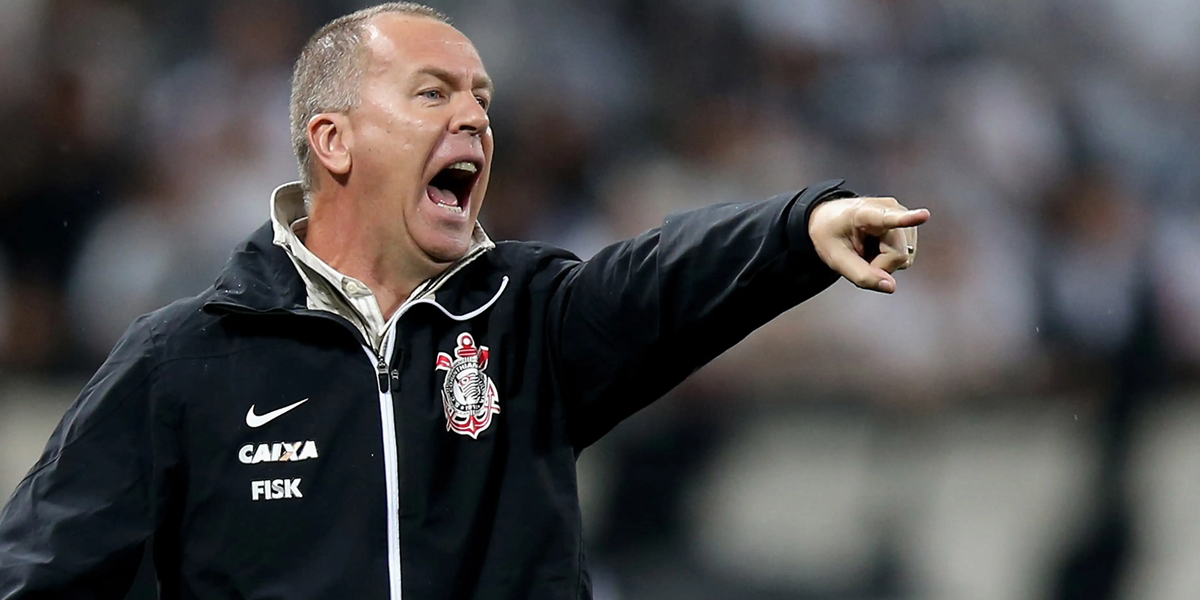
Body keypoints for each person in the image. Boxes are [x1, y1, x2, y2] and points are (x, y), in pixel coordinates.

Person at [0, 3, 929, 599]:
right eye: (433, 92)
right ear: (334, 140)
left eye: (482, 98)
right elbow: (39, 570)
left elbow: (654, 281)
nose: (476, 117)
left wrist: (795, 229)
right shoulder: (186, 359)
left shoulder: (528, 318)